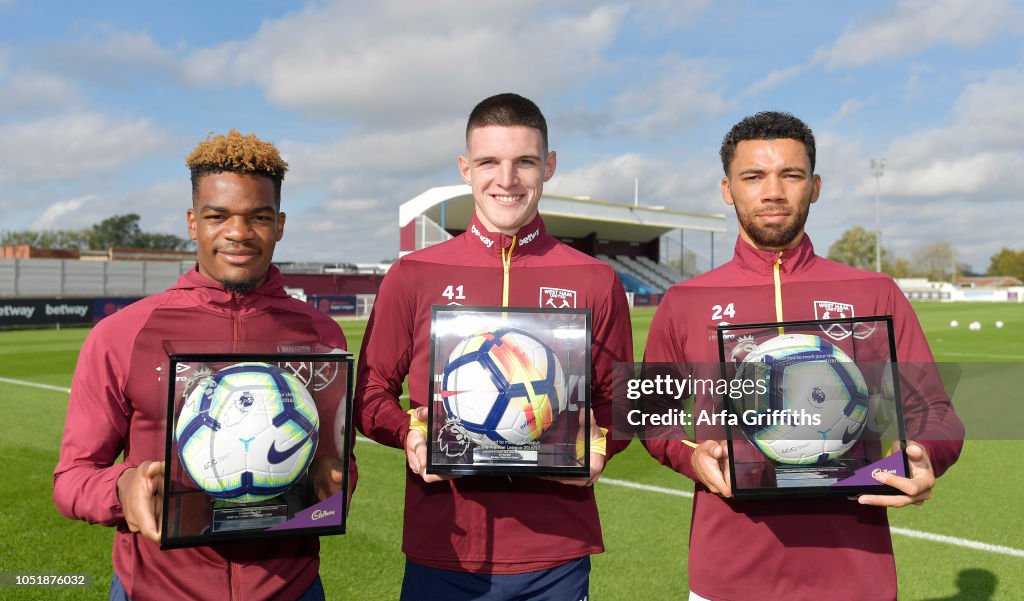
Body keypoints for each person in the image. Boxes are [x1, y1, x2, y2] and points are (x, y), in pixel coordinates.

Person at [641, 111, 965, 601]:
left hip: (855, 575)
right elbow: (649, 418)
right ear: (728, 189)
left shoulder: (874, 292)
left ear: (814, 186)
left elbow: (936, 413)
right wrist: (693, 457)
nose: (773, 192)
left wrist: (925, 457)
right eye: (753, 176)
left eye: (790, 175)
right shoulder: (684, 301)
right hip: (728, 575)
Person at [53, 129, 354, 601]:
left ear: (280, 223)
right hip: (156, 590)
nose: (238, 232)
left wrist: (335, 479)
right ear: (193, 222)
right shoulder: (123, 334)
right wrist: (122, 489)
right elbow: (71, 479)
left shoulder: (322, 337)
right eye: (218, 216)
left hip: (290, 589)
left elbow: (339, 461)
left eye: (258, 216)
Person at [354, 93, 633, 600]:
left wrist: (601, 446)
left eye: (524, 162)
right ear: (465, 168)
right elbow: (370, 393)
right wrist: (409, 434)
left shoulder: (595, 279)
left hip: (556, 553)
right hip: (445, 548)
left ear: (548, 166)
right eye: (489, 162)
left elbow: (620, 402)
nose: (506, 180)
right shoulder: (413, 275)